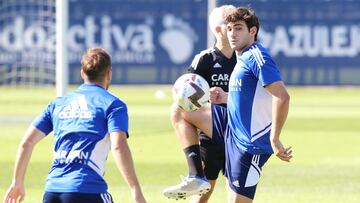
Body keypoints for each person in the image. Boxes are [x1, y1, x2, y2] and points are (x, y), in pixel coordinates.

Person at [165, 6, 293, 203]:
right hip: (231, 127)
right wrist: (225, 97)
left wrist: (274, 138)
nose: (233, 34)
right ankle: (196, 176)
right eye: (230, 28)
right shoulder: (241, 56)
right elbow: (250, 94)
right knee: (180, 109)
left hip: (250, 145)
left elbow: (282, 97)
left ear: (253, 31)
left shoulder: (257, 56)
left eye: (239, 28)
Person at [3, 48, 147, 203]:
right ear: (109, 74)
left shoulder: (58, 104)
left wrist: (17, 182)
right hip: (86, 190)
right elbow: (118, 146)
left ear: (82, 73)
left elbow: (27, 142)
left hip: (52, 192)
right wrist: (135, 191)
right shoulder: (113, 104)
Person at [163, 5, 236, 202]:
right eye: (231, 23)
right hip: (210, 135)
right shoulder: (205, 59)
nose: (236, 28)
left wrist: (227, 95)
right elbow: (183, 93)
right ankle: (195, 175)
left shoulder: (245, 57)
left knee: (237, 197)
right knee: (202, 195)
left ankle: (196, 176)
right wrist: (205, 96)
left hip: (238, 130)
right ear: (220, 30)